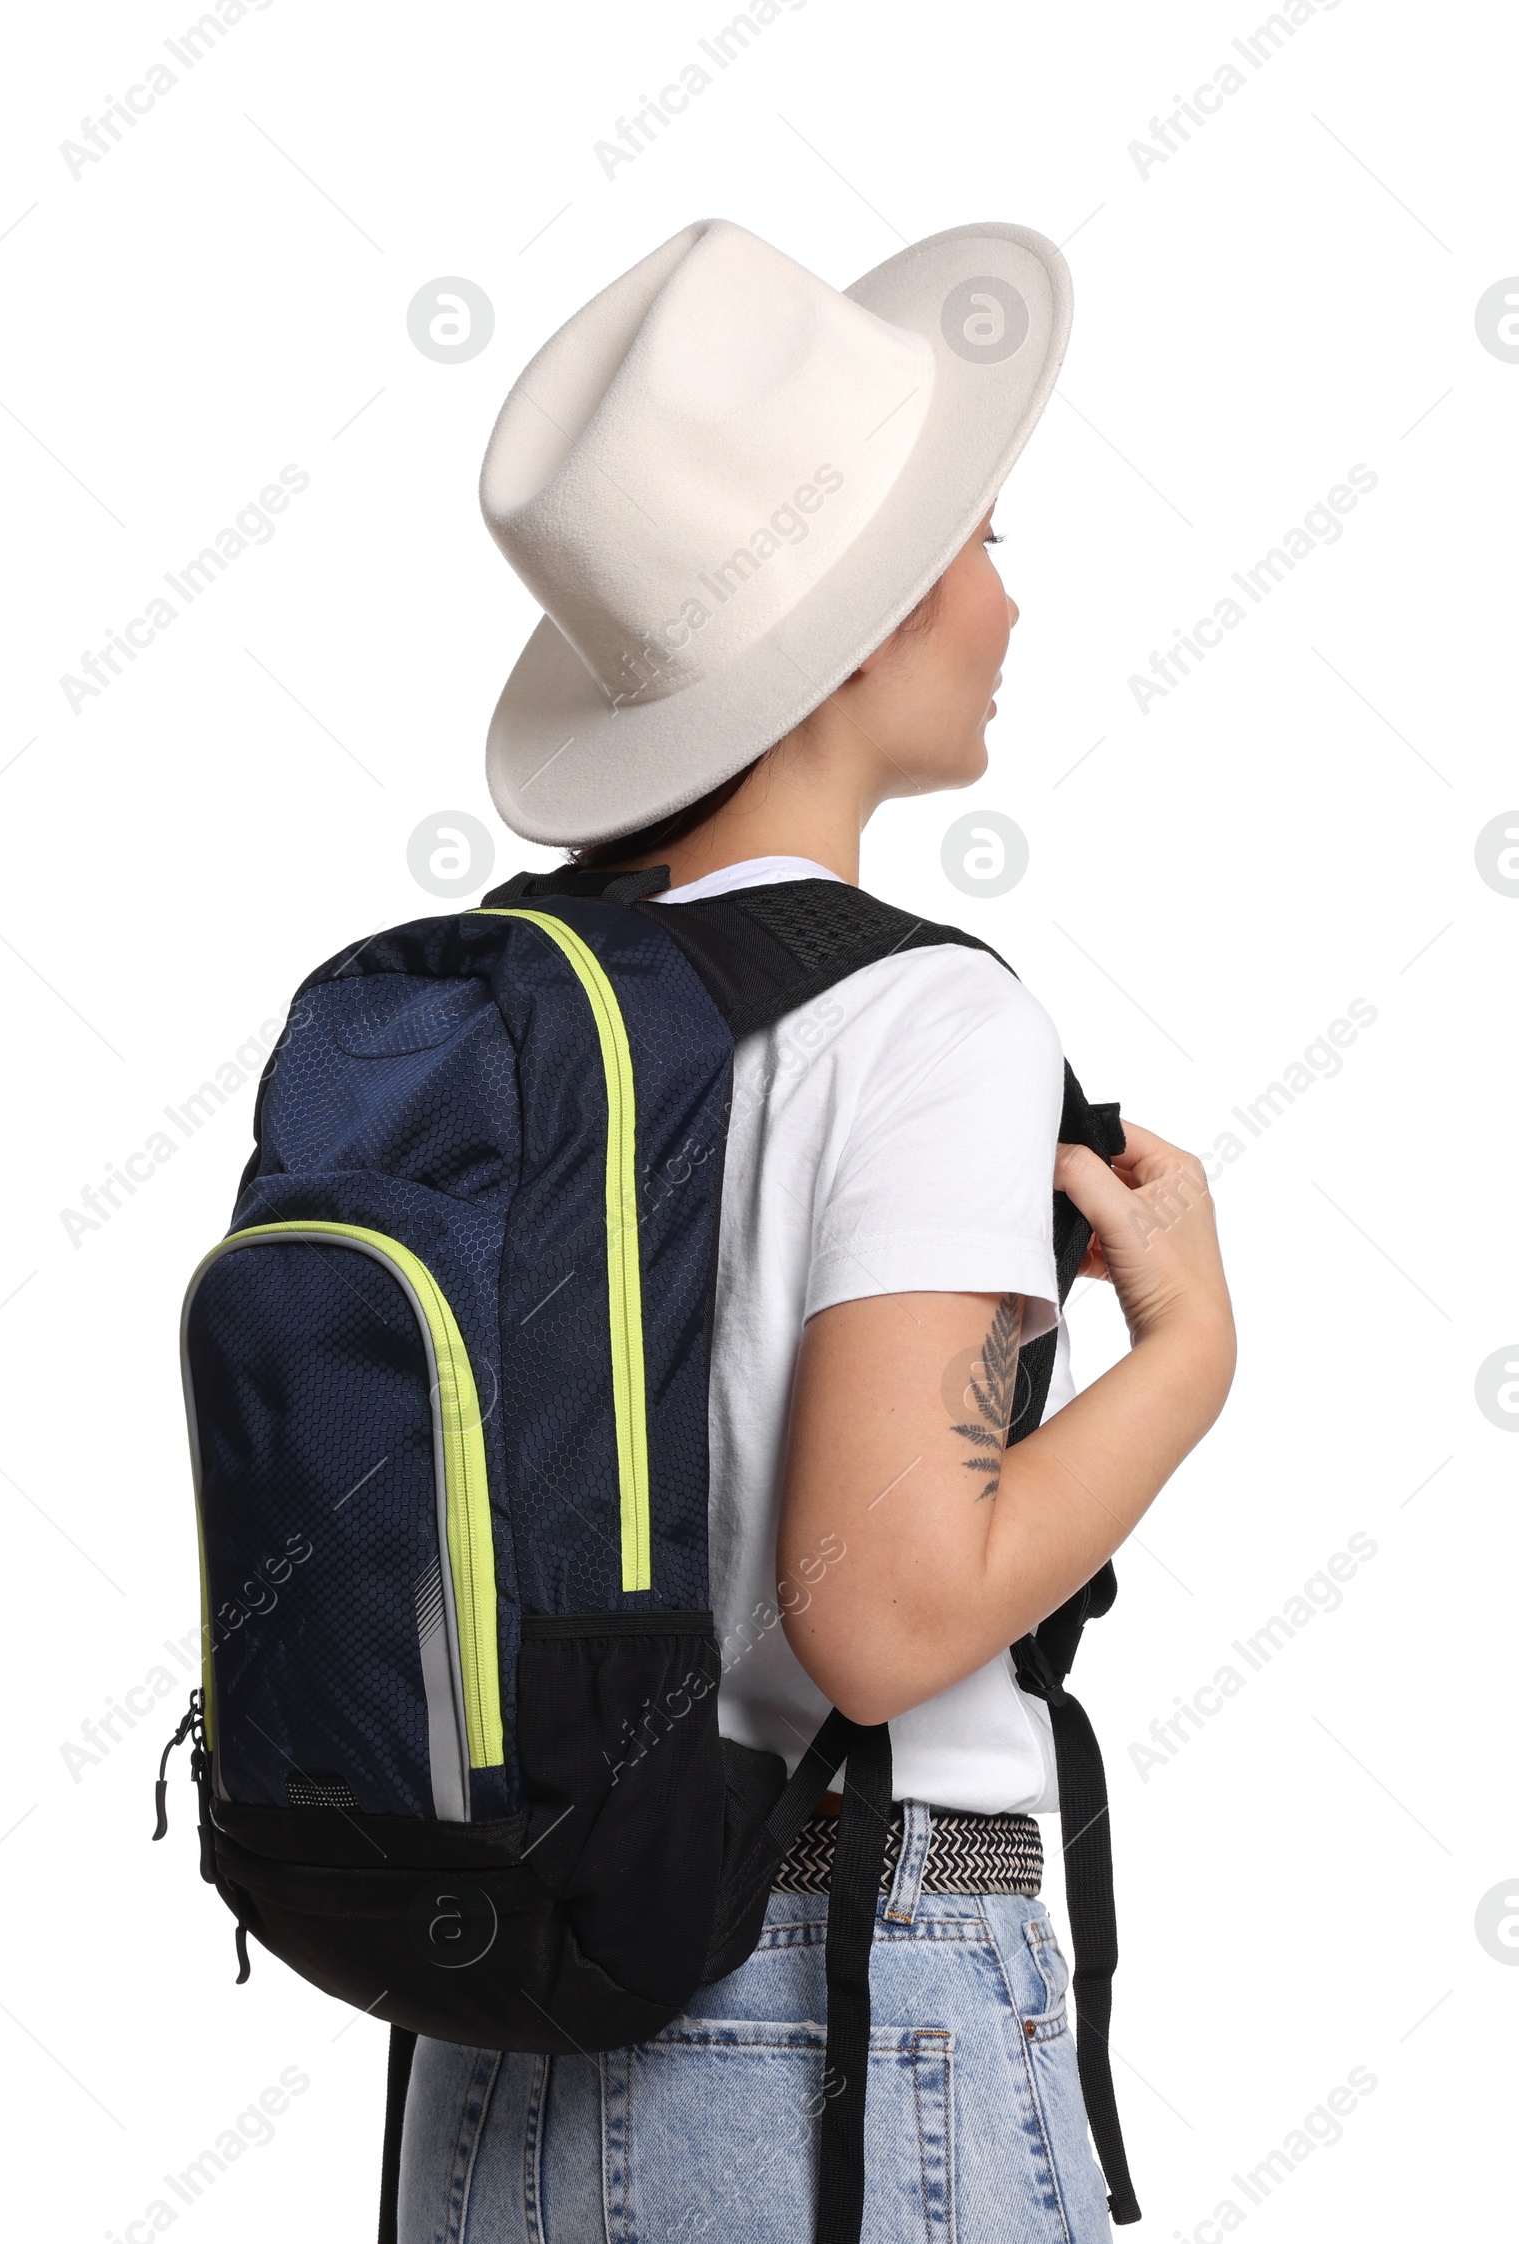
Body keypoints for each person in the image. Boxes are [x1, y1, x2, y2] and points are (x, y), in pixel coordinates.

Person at [399, 218, 1235, 2244]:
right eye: (977, 537)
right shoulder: (922, 1020)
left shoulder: (492, 1008)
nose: (1005, 592)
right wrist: (1187, 1356)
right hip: (838, 2019)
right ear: (862, 620)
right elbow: (879, 1612)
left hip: (479, 2038)